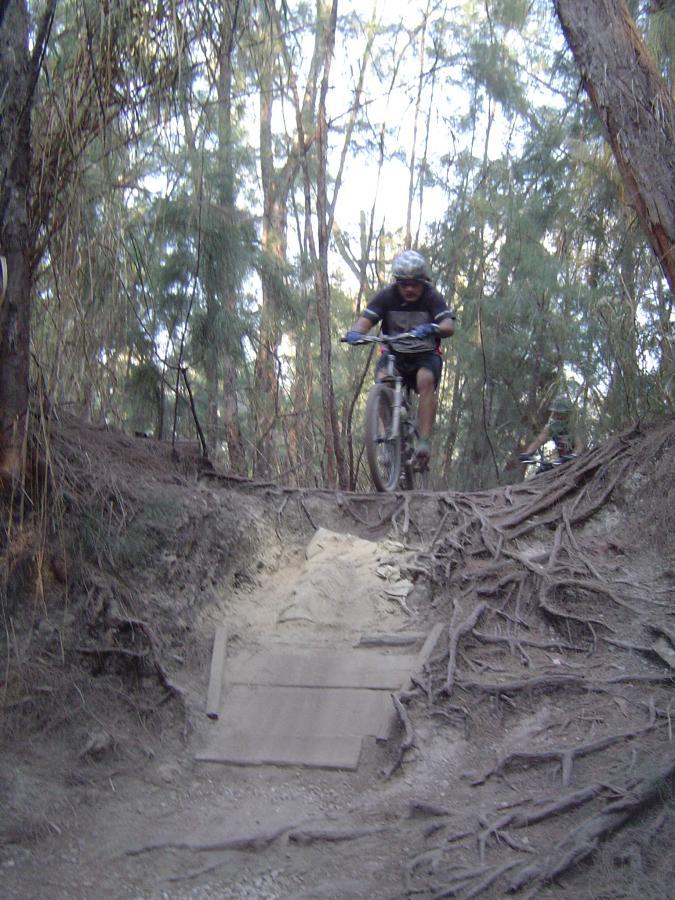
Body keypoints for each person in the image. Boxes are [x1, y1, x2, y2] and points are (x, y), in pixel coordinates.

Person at [343, 249, 456, 467]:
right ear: (398, 283)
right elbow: (365, 320)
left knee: (425, 380)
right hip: (394, 353)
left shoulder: (432, 297)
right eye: (404, 284)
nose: (409, 289)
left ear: (423, 282)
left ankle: (423, 441)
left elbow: (448, 326)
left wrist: (433, 328)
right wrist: (356, 333)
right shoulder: (387, 296)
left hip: (425, 354)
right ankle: (389, 440)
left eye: (414, 283)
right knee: (383, 378)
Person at [520, 395, 583, 464]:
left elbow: (579, 445)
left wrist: (573, 456)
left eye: (561, 413)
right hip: (562, 460)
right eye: (556, 413)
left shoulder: (573, 426)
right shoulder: (551, 426)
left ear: (568, 414)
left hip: (580, 459)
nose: (557, 416)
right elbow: (539, 441)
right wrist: (527, 454)